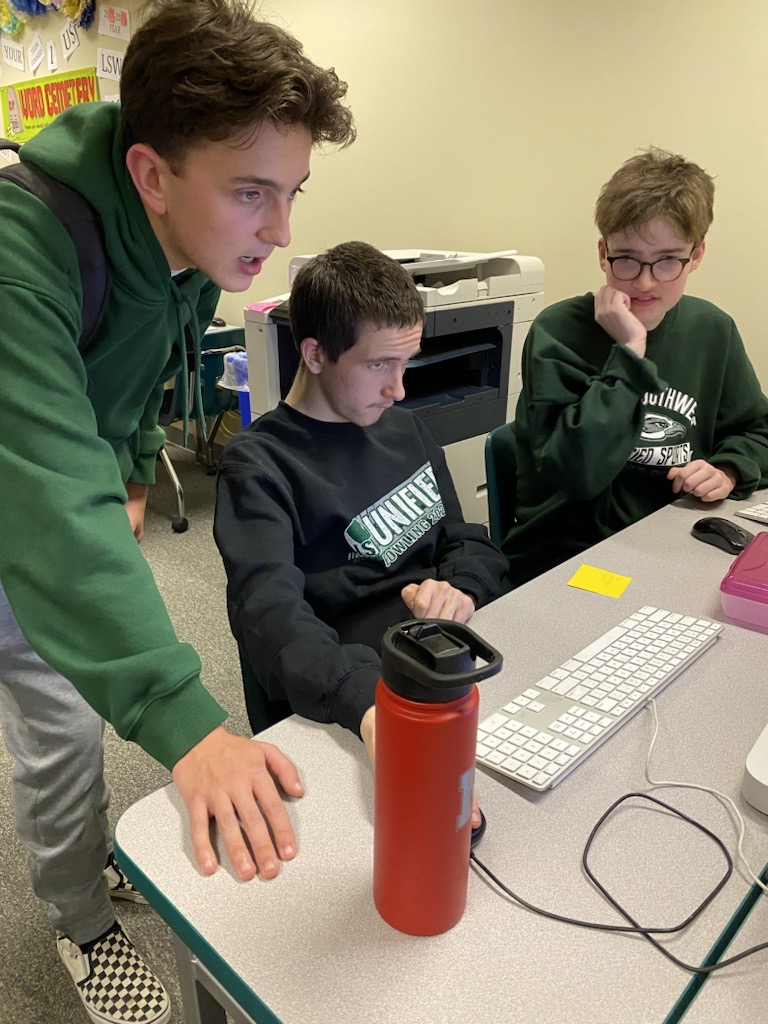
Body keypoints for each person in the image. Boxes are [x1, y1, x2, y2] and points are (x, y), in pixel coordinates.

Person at [0, 2, 355, 1022]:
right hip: (21, 496)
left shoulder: (185, 248)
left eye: (291, 193)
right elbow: (48, 494)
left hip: (50, 487)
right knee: (61, 720)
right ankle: (76, 922)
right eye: (252, 193)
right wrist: (184, 716)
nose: (281, 233)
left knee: (65, 712)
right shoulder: (23, 243)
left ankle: (77, 876)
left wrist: (134, 479)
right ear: (153, 174)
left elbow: (137, 378)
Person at [214, 241, 508, 771]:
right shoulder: (259, 466)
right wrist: (367, 703)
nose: (398, 389)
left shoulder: (403, 427)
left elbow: (464, 541)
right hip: (347, 698)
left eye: (405, 364)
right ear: (315, 354)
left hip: (438, 663)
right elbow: (270, 617)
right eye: (379, 365)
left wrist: (459, 590)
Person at [503, 147, 768, 587]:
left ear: (696, 255)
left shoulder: (712, 329)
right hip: (569, 556)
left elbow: (757, 430)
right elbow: (577, 474)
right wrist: (630, 351)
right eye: (626, 258)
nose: (645, 282)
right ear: (603, 252)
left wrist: (727, 469)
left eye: (667, 260)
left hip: (672, 537)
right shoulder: (557, 332)